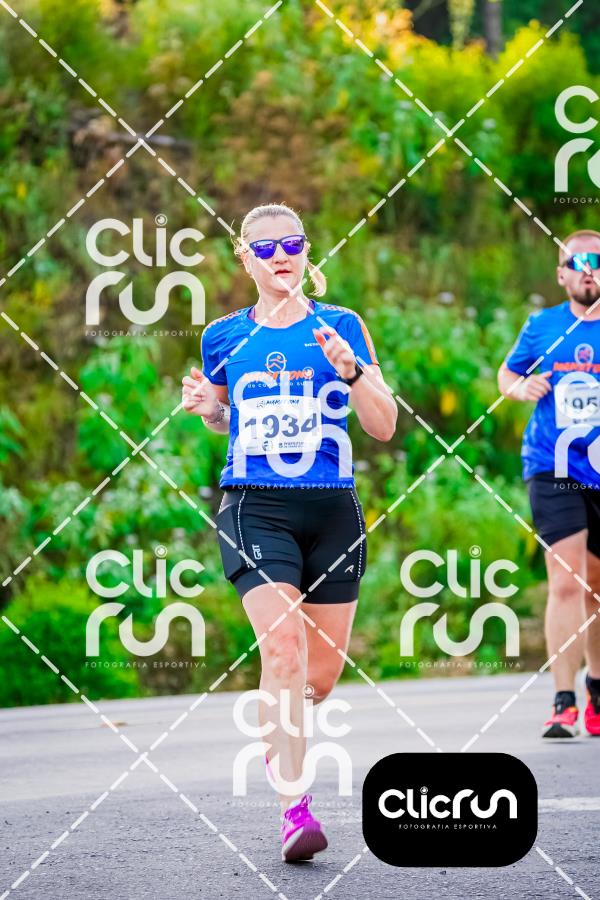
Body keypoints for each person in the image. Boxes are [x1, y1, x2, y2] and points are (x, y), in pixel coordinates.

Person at [181, 202, 397, 860]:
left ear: (306, 251)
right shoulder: (223, 336)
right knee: (282, 651)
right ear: (244, 258)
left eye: (292, 244)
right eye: (266, 247)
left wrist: (352, 372)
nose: (281, 256)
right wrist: (210, 408)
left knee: (316, 679)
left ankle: (281, 715)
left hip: (331, 510)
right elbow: (229, 421)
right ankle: (294, 812)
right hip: (255, 507)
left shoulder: (341, 325)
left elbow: (383, 425)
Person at [498, 229, 600, 738]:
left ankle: (596, 689)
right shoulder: (542, 327)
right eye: (577, 262)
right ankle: (563, 700)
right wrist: (522, 388)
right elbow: (507, 375)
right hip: (553, 465)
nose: (588, 269)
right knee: (566, 581)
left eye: (596, 261)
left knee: (596, 587)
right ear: (561, 275)